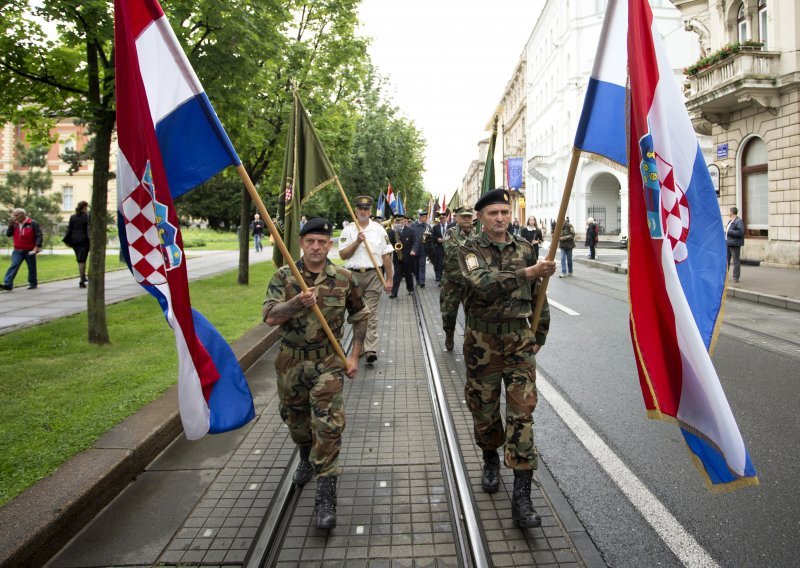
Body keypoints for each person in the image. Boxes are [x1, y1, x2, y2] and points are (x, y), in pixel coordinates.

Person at [262, 217, 369, 529]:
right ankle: (305, 455)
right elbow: (269, 317)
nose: (316, 247)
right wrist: (297, 301)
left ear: (330, 245)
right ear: (301, 244)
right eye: (310, 241)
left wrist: (354, 355)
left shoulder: (344, 278)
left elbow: (360, 315)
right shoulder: (284, 277)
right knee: (296, 422)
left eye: (322, 242)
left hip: (328, 365)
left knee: (328, 427)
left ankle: (326, 494)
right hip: (290, 364)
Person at [458, 188, 555, 528]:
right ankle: (489, 458)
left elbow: (539, 294)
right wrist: (530, 273)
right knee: (484, 412)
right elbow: (482, 284)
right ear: (481, 218)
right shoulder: (468, 250)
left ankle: (522, 496)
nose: (499, 218)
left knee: (522, 415)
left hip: (518, 343)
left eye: (504, 212)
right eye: (492, 213)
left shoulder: (526, 248)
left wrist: (538, 333)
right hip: (482, 343)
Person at [338, 196, 393, 364]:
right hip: (352, 275)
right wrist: (357, 242)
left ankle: (370, 349)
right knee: (357, 313)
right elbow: (342, 255)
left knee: (371, 312)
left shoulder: (379, 230)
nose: (363, 211)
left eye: (366, 209)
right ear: (355, 210)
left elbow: (386, 256)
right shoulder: (348, 230)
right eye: (360, 208)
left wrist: (389, 279)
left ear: (370, 211)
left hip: (373, 275)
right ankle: (358, 347)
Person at [440, 206, 477, 351]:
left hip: (470, 283)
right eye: (464, 217)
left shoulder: (476, 234)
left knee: (472, 315)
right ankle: (449, 335)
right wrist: (471, 250)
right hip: (452, 282)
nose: (467, 219)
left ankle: (468, 342)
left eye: (469, 216)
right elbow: (452, 251)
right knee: (448, 315)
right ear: (457, 218)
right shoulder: (450, 233)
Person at [2, 208, 43, 291]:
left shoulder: (32, 223)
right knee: (14, 265)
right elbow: (8, 234)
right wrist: (10, 225)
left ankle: (33, 283)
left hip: (29, 250)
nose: (14, 217)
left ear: (23, 214)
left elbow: (39, 235)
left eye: (16, 215)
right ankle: (8, 284)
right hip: (17, 250)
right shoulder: (15, 224)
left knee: (31, 267)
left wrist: (37, 246)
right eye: (14, 215)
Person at [388, 214, 417, 297]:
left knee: (408, 275)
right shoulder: (393, 231)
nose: (399, 222)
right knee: (397, 274)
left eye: (401, 220)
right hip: (397, 256)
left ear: (404, 221)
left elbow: (415, 241)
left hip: (408, 256)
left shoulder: (411, 230)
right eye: (398, 221)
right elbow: (389, 242)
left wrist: (413, 250)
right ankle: (394, 292)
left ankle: (410, 289)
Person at [64, 201, 91, 288]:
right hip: (84, 240)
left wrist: (68, 241)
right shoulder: (87, 217)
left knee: (80, 259)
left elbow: (69, 230)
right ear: (84, 207)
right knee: (82, 260)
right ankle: (82, 279)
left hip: (74, 240)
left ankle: (83, 277)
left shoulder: (73, 217)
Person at [410, 209, 430, 287]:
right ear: (420, 217)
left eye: (426, 217)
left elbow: (430, 238)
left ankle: (422, 281)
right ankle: (418, 279)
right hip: (415, 249)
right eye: (424, 217)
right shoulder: (413, 225)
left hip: (423, 249)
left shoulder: (427, 226)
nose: (425, 218)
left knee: (422, 265)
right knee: (416, 265)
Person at [726, 206, 744, 283]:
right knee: (727, 261)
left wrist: (730, 231)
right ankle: (725, 276)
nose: (728, 213)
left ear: (732, 212)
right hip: (728, 243)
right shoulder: (730, 221)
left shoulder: (738, 221)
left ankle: (736, 277)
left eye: (729, 211)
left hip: (735, 244)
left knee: (736, 260)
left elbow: (740, 232)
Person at [430, 212, 447, 284]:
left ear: (446, 218)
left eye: (443, 218)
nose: (442, 220)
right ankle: (439, 276)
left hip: (448, 248)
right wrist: (437, 239)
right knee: (439, 262)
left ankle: (445, 276)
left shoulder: (451, 226)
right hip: (439, 247)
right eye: (441, 218)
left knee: (446, 262)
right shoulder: (435, 227)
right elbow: (432, 237)